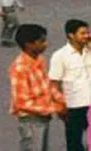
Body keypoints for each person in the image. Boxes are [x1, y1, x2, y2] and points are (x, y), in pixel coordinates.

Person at [9, 24, 67, 151]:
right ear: (29, 45)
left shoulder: (39, 60)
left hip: (43, 117)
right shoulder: (20, 67)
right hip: (31, 120)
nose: (46, 44)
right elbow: (22, 103)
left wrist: (63, 102)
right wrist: (54, 108)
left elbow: (48, 86)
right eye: (41, 41)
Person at [49, 19, 91, 151]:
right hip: (74, 106)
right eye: (82, 33)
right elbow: (54, 83)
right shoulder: (60, 56)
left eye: (88, 33)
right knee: (74, 142)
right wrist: (60, 106)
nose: (87, 36)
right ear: (71, 35)